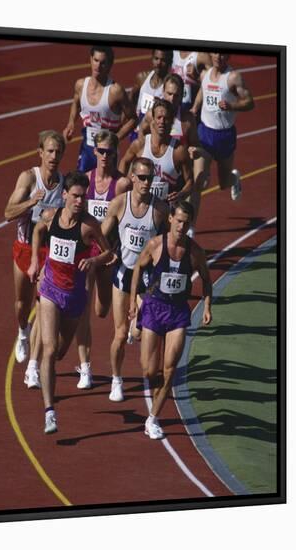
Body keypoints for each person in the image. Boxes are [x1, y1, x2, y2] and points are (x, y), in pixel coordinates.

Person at [27, 171, 112, 434]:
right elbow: (38, 231)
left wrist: (94, 260)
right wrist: (35, 262)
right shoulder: (50, 216)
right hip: (50, 289)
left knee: (61, 352)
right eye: (75, 196)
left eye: (83, 197)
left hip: (75, 296)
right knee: (50, 350)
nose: (79, 201)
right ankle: (50, 412)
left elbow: (109, 252)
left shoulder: (89, 225)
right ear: (64, 195)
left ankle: (48, 373)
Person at [129, 200, 212, 439]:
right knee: (148, 370)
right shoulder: (156, 245)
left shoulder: (195, 252)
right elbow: (137, 268)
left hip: (177, 313)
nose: (181, 227)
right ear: (170, 220)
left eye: (186, 223)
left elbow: (206, 279)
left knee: (169, 369)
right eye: (178, 221)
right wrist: (133, 301)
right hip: (154, 307)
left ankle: (153, 418)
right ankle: (136, 331)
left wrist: (207, 305)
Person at [101, 157, 169, 402]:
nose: (145, 182)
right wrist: (104, 254)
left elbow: (167, 243)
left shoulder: (160, 210)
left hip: (147, 277)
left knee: (139, 334)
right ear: (132, 178)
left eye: (149, 178)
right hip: (123, 272)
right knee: (119, 335)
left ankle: (135, 327)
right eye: (141, 177)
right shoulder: (119, 204)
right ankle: (116, 380)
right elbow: (101, 234)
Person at [4, 130, 66, 389]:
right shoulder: (29, 178)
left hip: (47, 254)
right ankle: (22, 332)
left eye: (57, 152)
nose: (53, 156)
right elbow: (7, 213)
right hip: (25, 248)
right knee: (22, 304)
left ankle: (33, 367)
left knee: (43, 308)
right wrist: (31, 202)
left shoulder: (63, 183)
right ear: (40, 152)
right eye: (49, 151)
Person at [75, 130, 131, 390]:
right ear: (94, 151)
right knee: (83, 310)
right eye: (101, 151)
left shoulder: (122, 185)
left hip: (109, 257)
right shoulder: (85, 182)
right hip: (88, 256)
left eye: (110, 151)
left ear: (116, 153)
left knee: (101, 310)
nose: (105, 156)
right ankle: (85, 368)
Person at [138, 73, 211, 236]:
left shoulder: (187, 120)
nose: (172, 99)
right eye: (169, 94)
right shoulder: (153, 114)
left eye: (176, 95)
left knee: (196, 181)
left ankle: (189, 226)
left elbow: (195, 144)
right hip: (155, 170)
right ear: (163, 92)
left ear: (181, 96)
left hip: (175, 172)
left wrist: (192, 149)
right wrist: (145, 149)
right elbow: (141, 131)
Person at [62, 45, 137, 172]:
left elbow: (133, 119)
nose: (98, 66)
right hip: (87, 147)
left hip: (108, 152)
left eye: (103, 63)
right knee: (80, 185)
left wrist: (116, 138)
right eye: (96, 60)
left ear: (110, 64)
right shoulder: (80, 85)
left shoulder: (115, 91)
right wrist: (70, 123)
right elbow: (76, 103)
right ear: (91, 60)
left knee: (105, 188)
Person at [191, 52, 254, 201]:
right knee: (199, 182)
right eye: (215, 53)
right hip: (204, 133)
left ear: (228, 56)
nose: (218, 57)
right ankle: (191, 223)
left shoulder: (233, 77)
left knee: (224, 183)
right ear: (211, 54)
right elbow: (203, 90)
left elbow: (250, 102)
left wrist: (231, 105)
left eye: (223, 54)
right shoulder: (205, 74)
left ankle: (234, 179)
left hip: (224, 136)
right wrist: (195, 107)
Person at [119, 98, 194, 204]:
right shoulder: (140, 144)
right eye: (159, 117)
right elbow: (124, 162)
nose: (162, 122)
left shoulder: (179, 150)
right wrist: (122, 185)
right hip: (140, 206)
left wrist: (181, 194)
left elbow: (190, 181)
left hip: (165, 210)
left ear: (172, 121)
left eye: (166, 118)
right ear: (153, 119)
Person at [128, 49, 173, 141]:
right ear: (152, 59)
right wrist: (130, 117)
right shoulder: (142, 77)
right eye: (156, 59)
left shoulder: (170, 86)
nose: (159, 63)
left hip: (156, 134)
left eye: (163, 60)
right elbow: (132, 96)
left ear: (169, 62)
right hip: (138, 131)